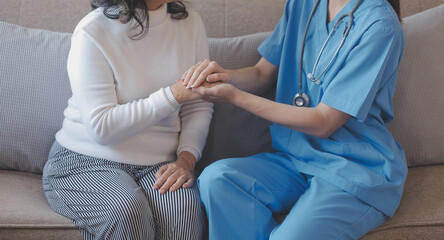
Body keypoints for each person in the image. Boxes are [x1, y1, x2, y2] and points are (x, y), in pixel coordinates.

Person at [183, 0, 407, 239]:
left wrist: (235, 97)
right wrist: (225, 77)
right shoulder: (302, 4)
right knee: (218, 178)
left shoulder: (380, 25)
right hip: (296, 158)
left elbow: (324, 122)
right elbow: (262, 74)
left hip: (353, 168)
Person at [42, 0, 213, 239]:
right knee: (127, 209)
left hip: (159, 164)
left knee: (184, 212)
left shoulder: (191, 24)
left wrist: (187, 158)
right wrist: (172, 96)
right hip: (85, 160)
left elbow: (197, 103)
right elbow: (102, 127)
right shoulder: (93, 30)